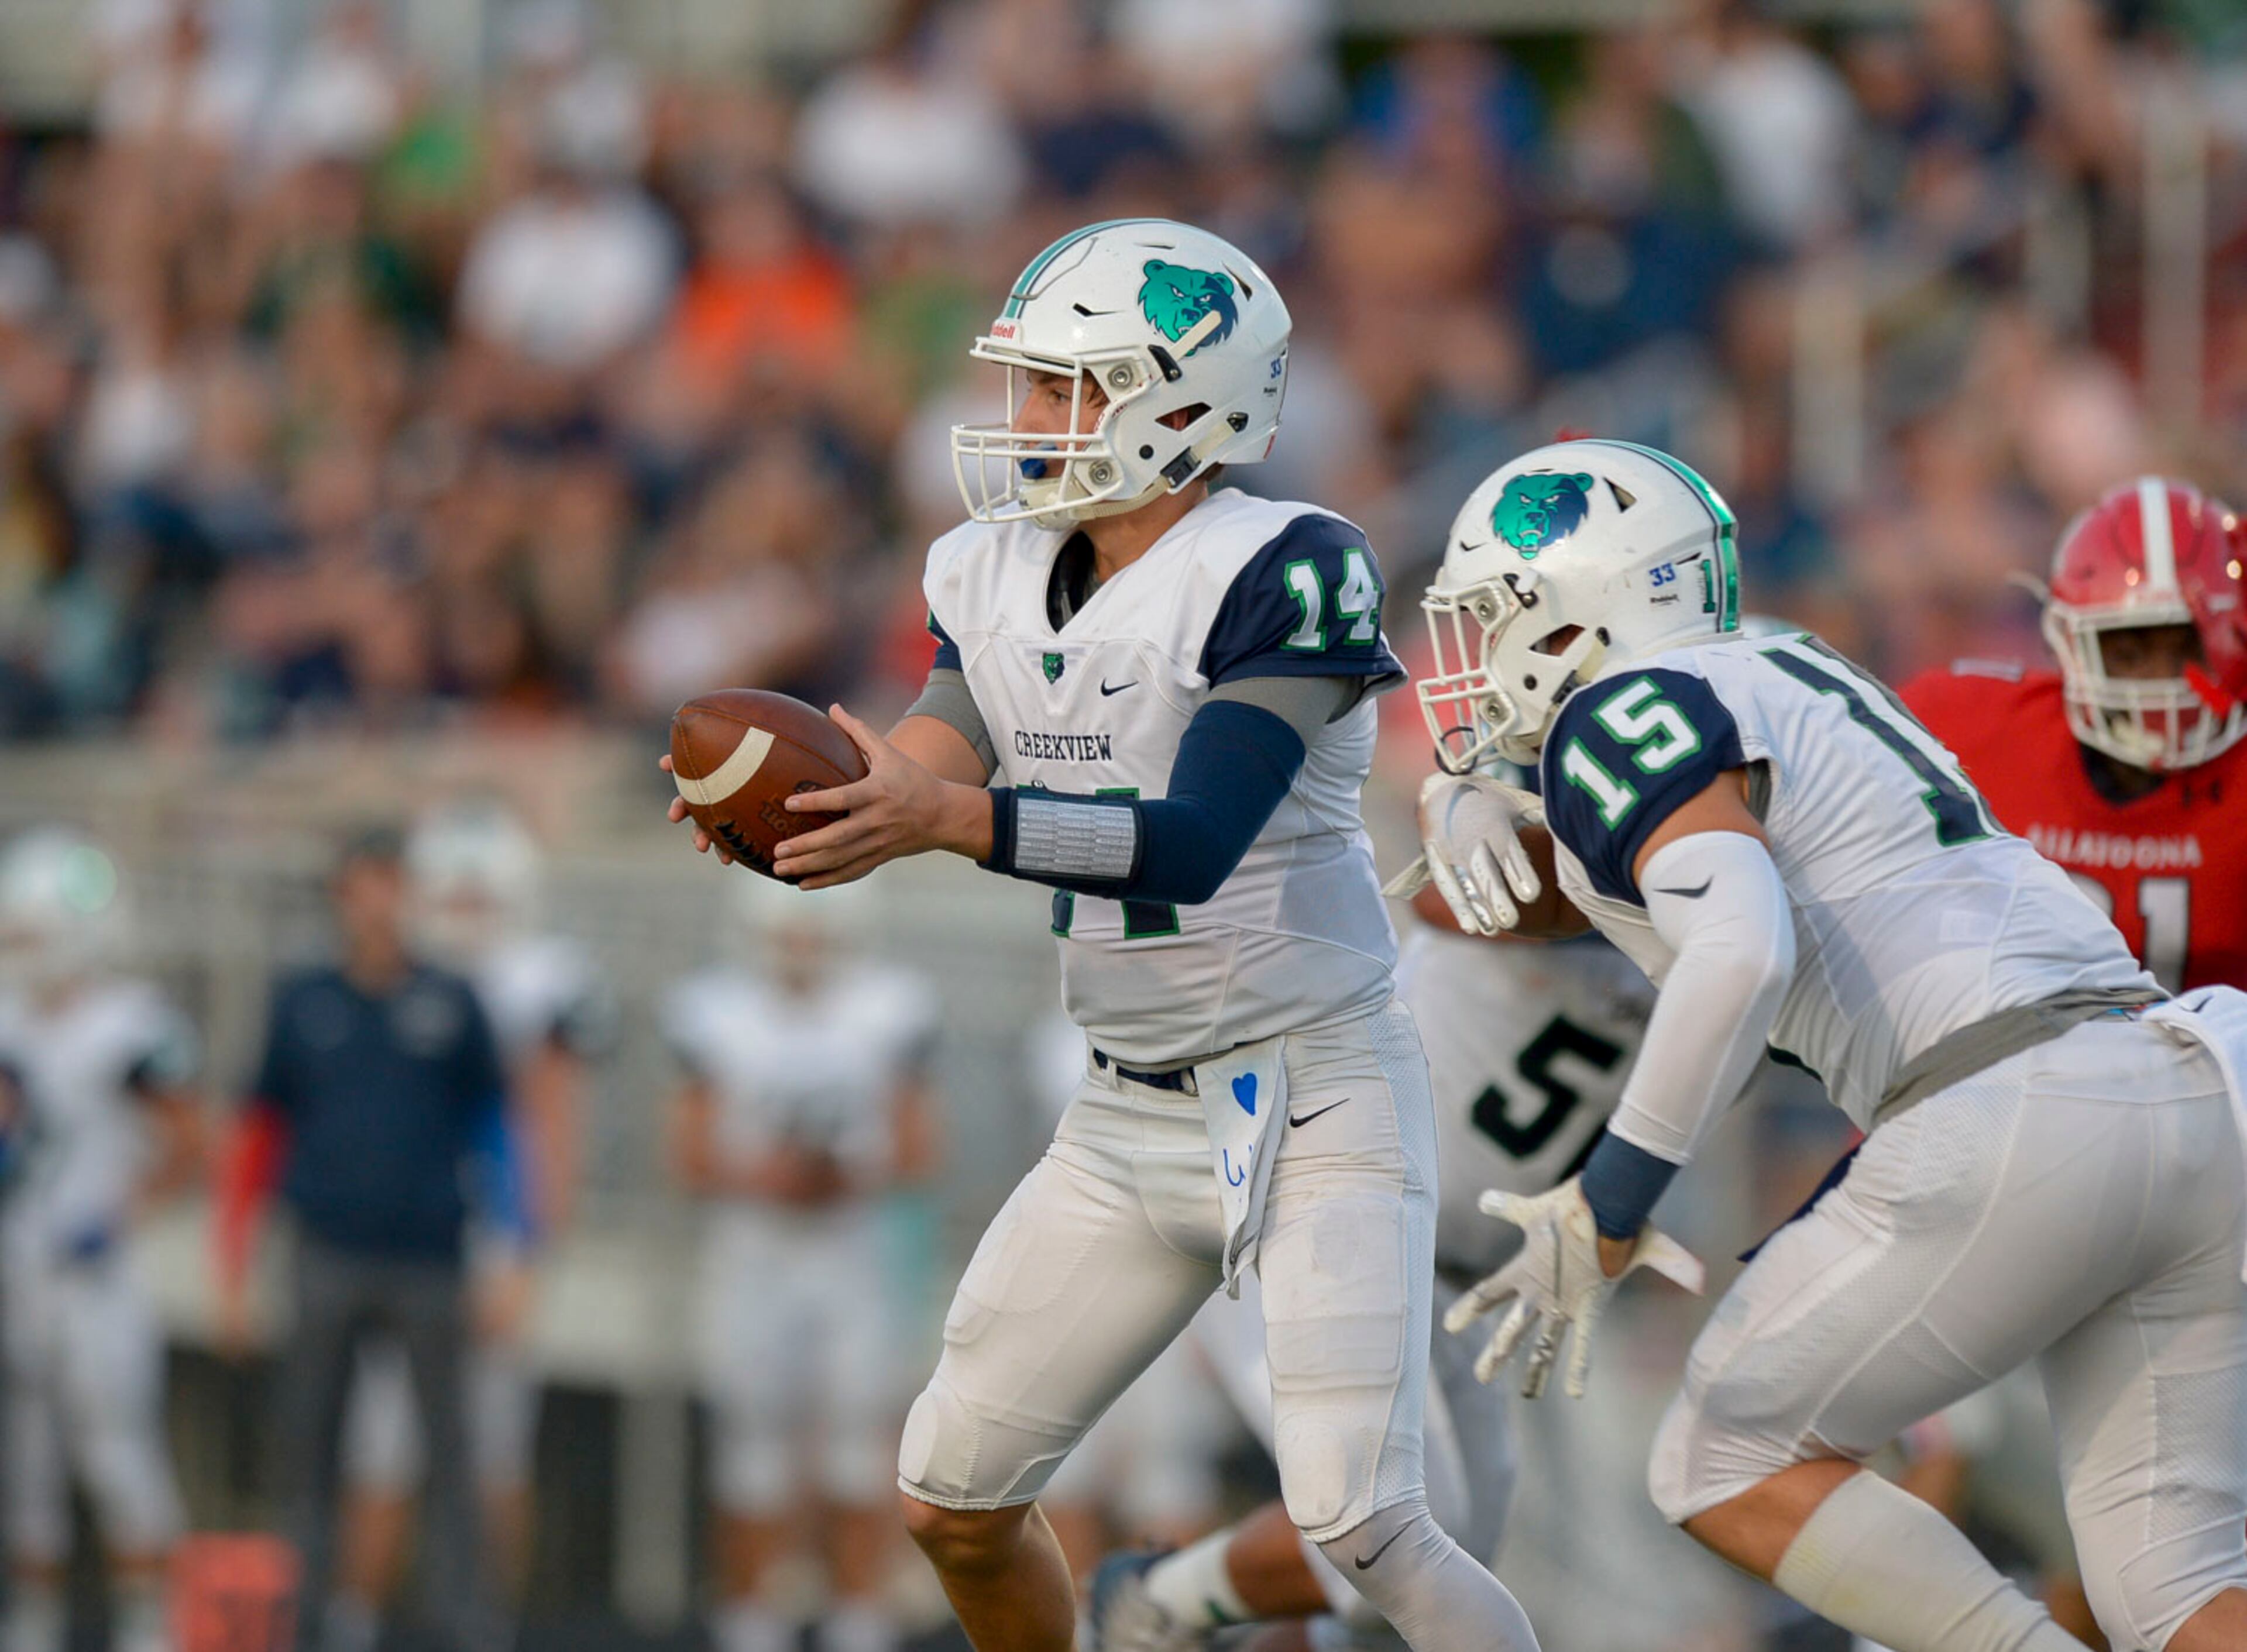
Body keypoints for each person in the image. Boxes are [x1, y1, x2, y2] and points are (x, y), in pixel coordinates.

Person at [662, 218, 1542, 1652]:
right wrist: (837, 811)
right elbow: (935, 761)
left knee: (1363, 1524)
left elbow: (1193, 843)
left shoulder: (1286, 564)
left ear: (1192, 405)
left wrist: (940, 824)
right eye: (1031, 384)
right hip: (1127, 1110)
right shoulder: (991, 566)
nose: (1032, 421)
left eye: (1074, 388)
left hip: (1312, 1092)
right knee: (950, 1496)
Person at [1408, 437, 2247, 1652]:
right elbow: (1681, 869)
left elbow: (1737, 945)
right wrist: (1487, 795)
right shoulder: (1783, 661)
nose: (1477, 656)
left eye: (1495, 615)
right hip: (2182, 1082)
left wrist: (1612, 1200)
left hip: (2015, 1100)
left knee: (1718, 1458)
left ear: (1577, 603)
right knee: (2174, 1591)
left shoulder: (1623, 706)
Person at [1091, 904, 1655, 1650]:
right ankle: (1154, 1600)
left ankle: (1176, 1609)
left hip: (1458, 1281)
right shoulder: (1617, 857)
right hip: (1326, 1210)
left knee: (1427, 1584)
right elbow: (1465, 891)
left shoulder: (1735, 954)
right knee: (1404, 1531)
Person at [215, 827, 521, 1652]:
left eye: (393, 884)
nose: (380, 903)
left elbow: (494, 1130)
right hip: (327, 1249)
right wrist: (234, 1266)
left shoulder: (452, 1000)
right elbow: (257, 1134)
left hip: (429, 1254)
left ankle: (466, 1622)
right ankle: (311, 1622)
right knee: (309, 1446)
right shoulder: (301, 1000)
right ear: (342, 897)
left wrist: (512, 1252)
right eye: (365, 885)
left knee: (451, 1450)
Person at [336, 801, 611, 1613]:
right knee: (378, 1449)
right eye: (450, 896)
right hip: (390, 1236)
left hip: (489, 1238)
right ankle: (356, 1625)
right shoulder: (387, 973)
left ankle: (485, 1626)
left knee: (490, 1456)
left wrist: (527, 1257)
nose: (462, 913)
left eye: (477, 896)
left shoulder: (539, 981)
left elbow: (552, 1132)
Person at [662, 875, 938, 1652]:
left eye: (817, 934)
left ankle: (860, 1622)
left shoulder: (889, 1008)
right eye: (790, 933)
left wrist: (842, 1177)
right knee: (751, 1452)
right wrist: (769, 1179)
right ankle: (752, 1623)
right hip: (753, 1254)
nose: (803, 949)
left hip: (855, 1254)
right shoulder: (717, 1011)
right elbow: (686, 1153)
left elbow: (920, 1148)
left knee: (860, 1450)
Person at [1899, 477, 2247, 994]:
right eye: (2129, 652)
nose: (2159, 684)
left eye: (2184, 650)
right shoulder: (1975, 727)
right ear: (2069, 644)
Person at [0, 830, 202, 1652]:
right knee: (29, 1464)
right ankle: (35, 1622)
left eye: (30, 932)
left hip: (93, 1275)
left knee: (116, 1449)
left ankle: (150, 1622)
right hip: (19, 1267)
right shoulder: (10, 1016)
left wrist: (120, 1214)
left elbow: (194, 1142)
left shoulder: (130, 1025)